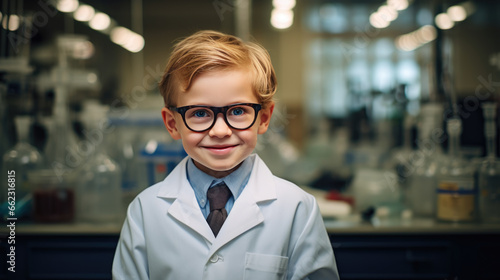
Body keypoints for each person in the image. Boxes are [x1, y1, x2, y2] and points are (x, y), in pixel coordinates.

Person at [112, 30, 339, 280]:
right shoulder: (145, 211)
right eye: (199, 113)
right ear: (172, 124)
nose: (220, 131)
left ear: (263, 118)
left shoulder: (297, 208)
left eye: (238, 111)